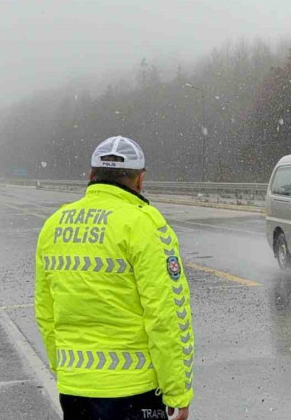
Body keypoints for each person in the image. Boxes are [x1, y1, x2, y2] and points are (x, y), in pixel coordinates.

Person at [35, 136, 194, 420]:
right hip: (132, 391)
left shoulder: (54, 224)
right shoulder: (144, 223)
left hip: (74, 390)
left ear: (91, 175)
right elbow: (166, 314)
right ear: (139, 180)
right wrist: (177, 390)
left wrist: (66, 369)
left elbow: (45, 311)